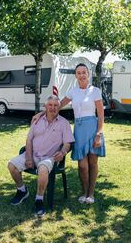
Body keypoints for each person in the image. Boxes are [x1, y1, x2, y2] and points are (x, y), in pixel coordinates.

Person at [32, 63, 105, 204]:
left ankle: (91, 193)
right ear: (76, 75)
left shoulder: (95, 91)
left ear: (88, 74)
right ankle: (84, 193)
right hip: (79, 129)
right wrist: (41, 113)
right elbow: (57, 106)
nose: (82, 75)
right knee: (82, 166)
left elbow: (101, 115)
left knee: (93, 162)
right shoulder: (73, 91)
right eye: (79, 73)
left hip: (92, 128)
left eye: (84, 72)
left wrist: (99, 134)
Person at [7, 95, 74, 217]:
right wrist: (28, 157)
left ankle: (39, 199)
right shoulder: (37, 121)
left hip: (49, 157)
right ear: (45, 106)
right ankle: (22, 190)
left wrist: (63, 152)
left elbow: (68, 143)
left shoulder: (64, 123)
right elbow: (29, 140)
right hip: (32, 154)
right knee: (12, 165)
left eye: (56, 105)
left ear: (59, 107)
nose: (53, 108)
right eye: (50, 105)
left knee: (43, 170)